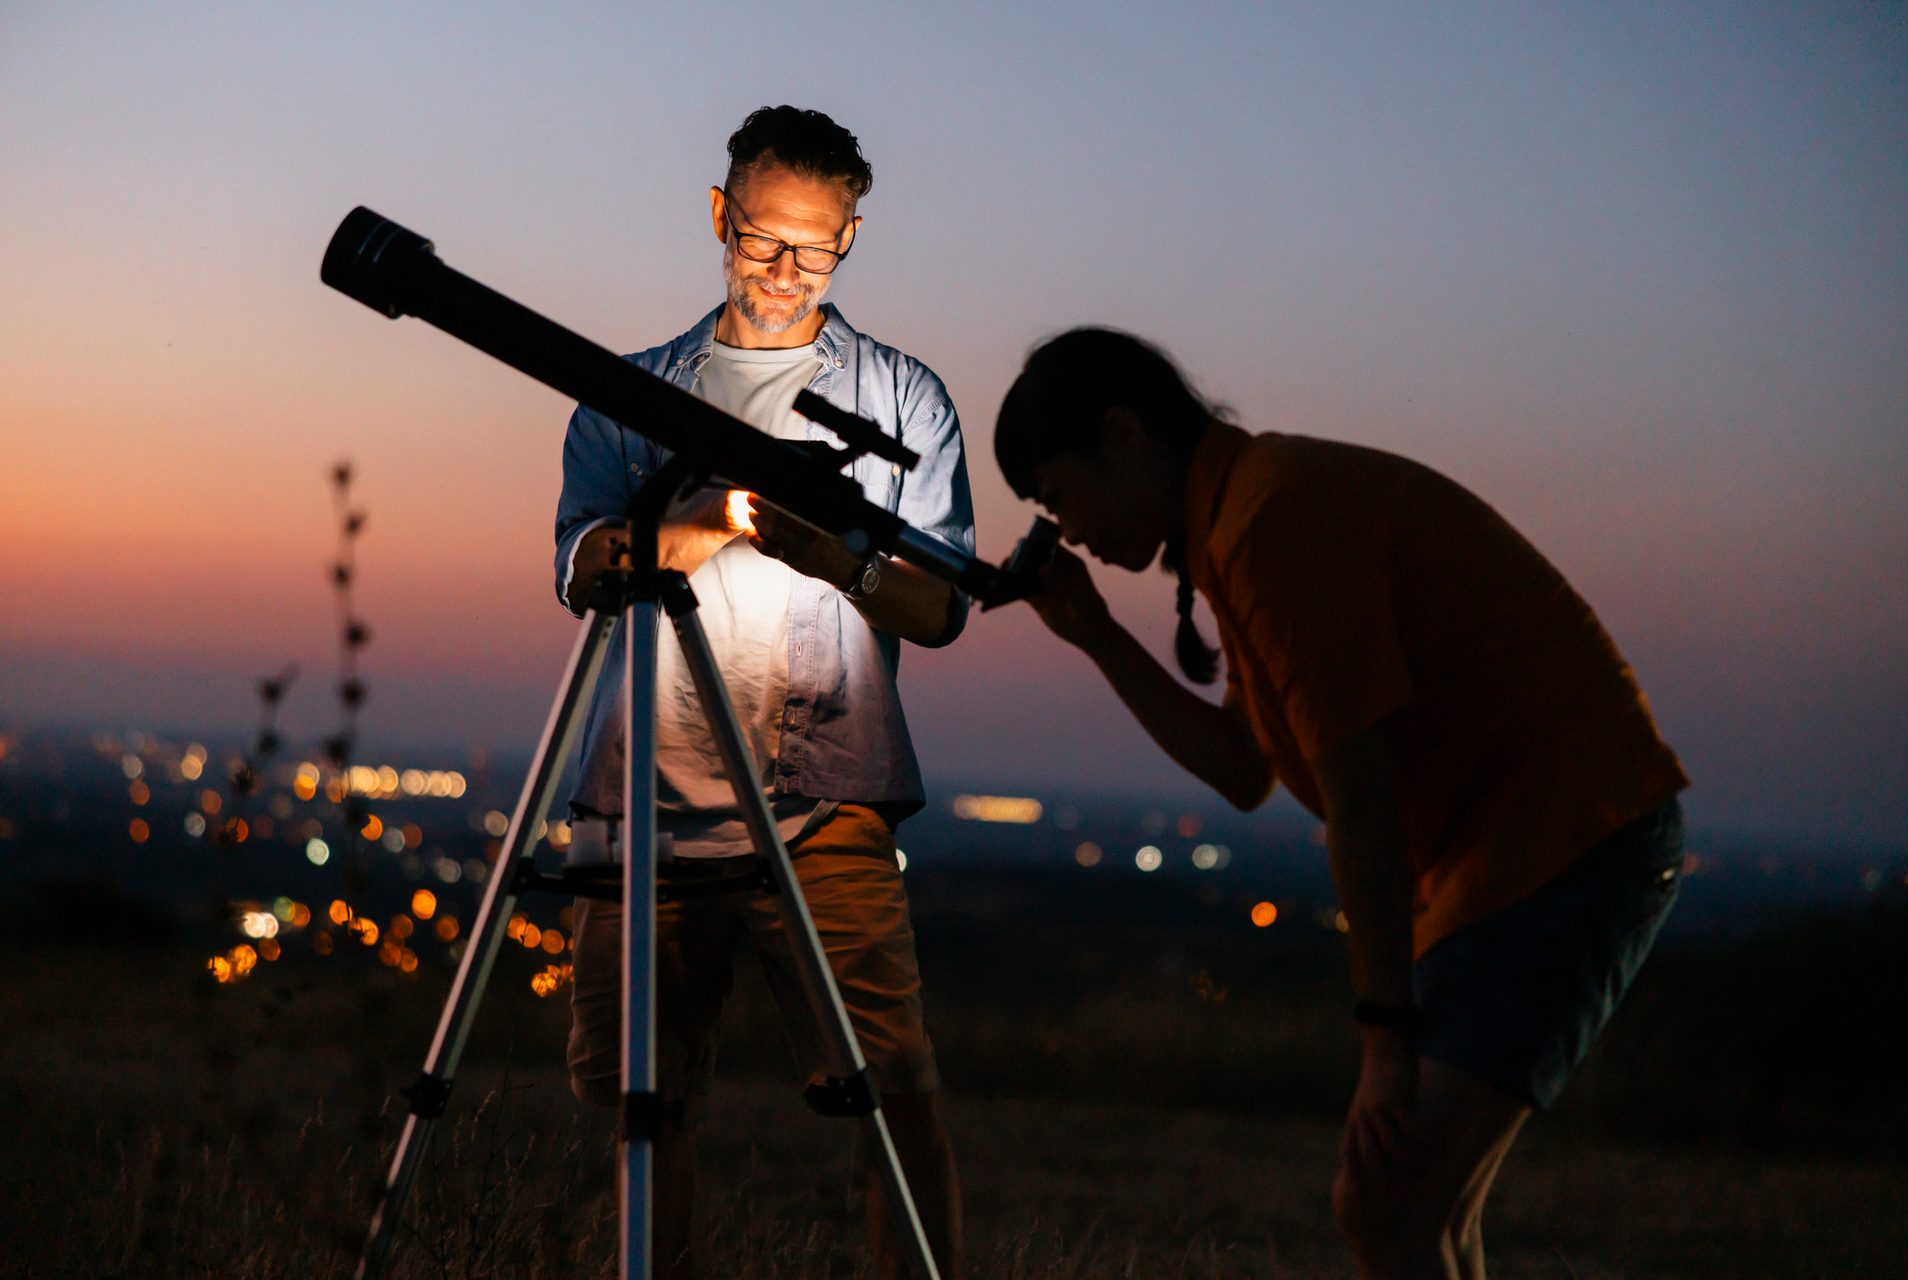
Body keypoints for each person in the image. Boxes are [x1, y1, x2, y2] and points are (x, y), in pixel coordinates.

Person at [995, 328, 1688, 1280]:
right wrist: (1100, 640)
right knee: (1423, 1209)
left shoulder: (1271, 522)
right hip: (1524, 853)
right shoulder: (1244, 517)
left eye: (1057, 494)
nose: (1064, 530)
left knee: (1390, 1200)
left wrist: (1384, 1042)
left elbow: (1359, 806)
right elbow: (1247, 770)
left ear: (1123, 436)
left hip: (1566, 839)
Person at [553, 105, 971, 1279]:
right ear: (718, 214)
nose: (785, 271)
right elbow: (583, 567)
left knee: (896, 1088)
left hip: (825, 800)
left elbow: (939, 608)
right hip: (643, 802)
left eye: (816, 246)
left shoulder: (902, 403)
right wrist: (691, 526)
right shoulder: (623, 396)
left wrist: (828, 550)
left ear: (852, 236)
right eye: (761, 238)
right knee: (644, 1098)